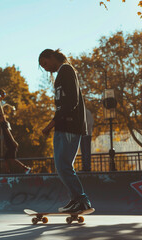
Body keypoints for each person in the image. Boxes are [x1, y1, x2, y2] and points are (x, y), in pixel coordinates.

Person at [39, 48, 92, 213]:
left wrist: (51, 124)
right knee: (62, 166)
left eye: (45, 64)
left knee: (63, 165)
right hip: (64, 126)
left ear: (52, 56)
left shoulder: (66, 70)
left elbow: (71, 102)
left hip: (69, 125)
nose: (46, 68)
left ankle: (82, 200)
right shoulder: (62, 73)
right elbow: (63, 103)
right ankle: (76, 199)